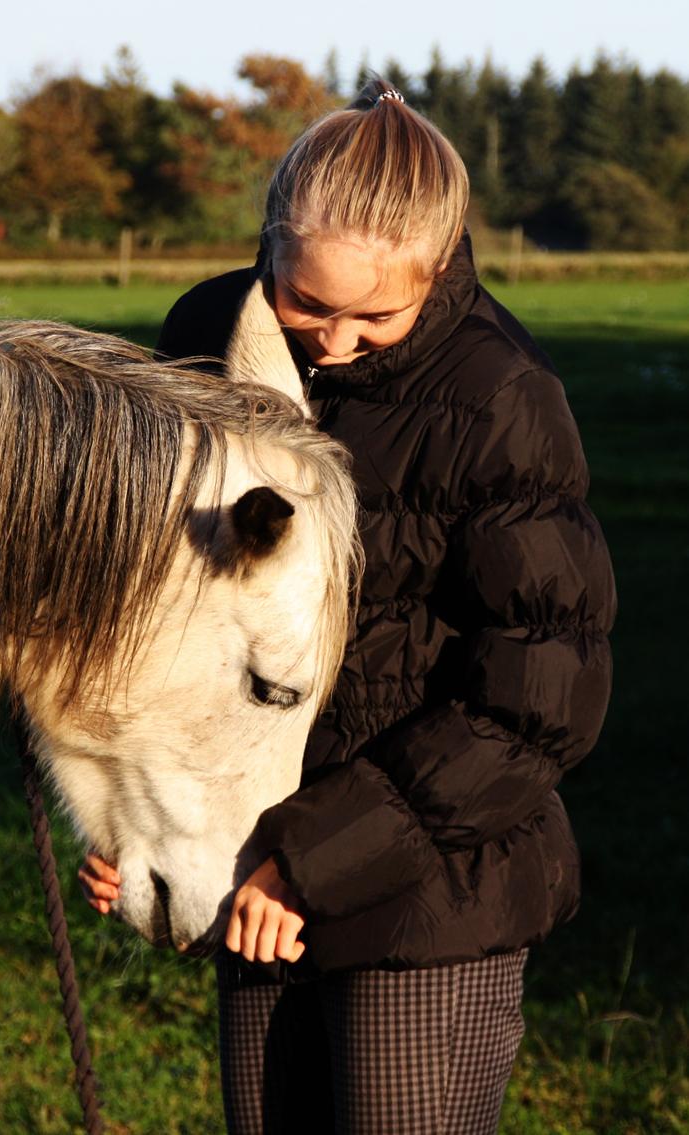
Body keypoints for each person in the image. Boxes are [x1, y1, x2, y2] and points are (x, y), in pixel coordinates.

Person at [79, 78, 615, 1135]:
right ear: (269, 243)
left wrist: (316, 859)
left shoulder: (496, 397)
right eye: (306, 301)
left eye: (378, 313)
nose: (333, 338)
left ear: (442, 259)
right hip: (248, 868)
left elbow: (537, 696)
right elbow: (155, 614)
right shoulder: (203, 339)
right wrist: (146, 825)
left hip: (432, 894)